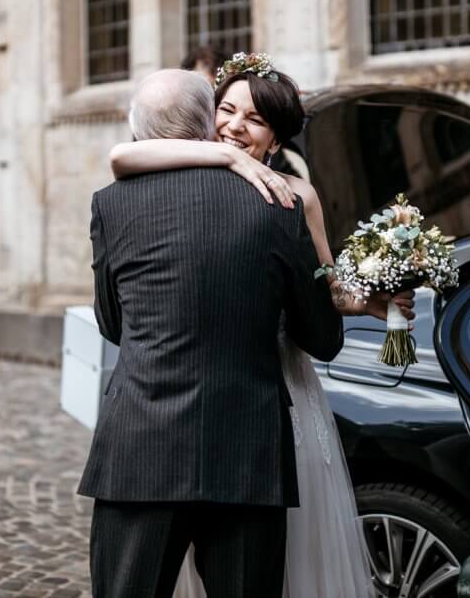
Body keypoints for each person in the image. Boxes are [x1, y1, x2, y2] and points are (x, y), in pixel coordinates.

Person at [108, 53, 416, 597]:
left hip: (261, 394)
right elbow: (122, 156)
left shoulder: (296, 200)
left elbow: (318, 293)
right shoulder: (179, 178)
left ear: (275, 138)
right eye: (225, 110)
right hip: (239, 413)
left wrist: (365, 301)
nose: (233, 126)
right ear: (205, 119)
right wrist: (228, 162)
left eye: (253, 119)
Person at [80, 69, 344, 597]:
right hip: (248, 452)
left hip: (141, 448)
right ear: (208, 122)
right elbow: (323, 338)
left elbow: (112, 325)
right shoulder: (280, 204)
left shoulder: (112, 203)